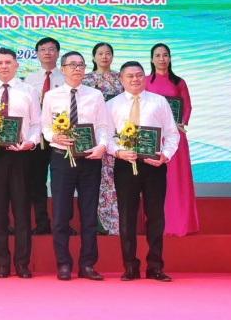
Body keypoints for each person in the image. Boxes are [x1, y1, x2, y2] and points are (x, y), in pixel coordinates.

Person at [107, 61, 179, 282]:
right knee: (127, 217)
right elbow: (106, 136)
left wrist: (165, 155)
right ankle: (130, 266)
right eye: (130, 76)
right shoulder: (111, 104)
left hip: (154, 165)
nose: (135, 79)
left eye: (139, 75)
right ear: (121, 80)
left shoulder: (159, 102)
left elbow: (172, 133)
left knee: (155, 216)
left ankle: (155, 266)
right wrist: (118, 152)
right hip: (125, 165)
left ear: (145, 77)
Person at [41, 51, 109, 281]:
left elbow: (103, 127)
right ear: (62, 69)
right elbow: (45, 126)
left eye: (81, 65)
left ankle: (87, 264)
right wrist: (54, 137)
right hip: (61, 158)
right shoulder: (51, 96)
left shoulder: (95, 95)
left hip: (89, 159)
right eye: (72, 65)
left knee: (88, 214)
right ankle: (63, 264)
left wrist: (102, 146)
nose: (77, 69)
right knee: (61, 214)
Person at [0, 48, 40, 279]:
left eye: (8, 62)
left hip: (21, 155)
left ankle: (22, 263)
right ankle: (2, 263)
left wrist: (30, 143)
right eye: (0, 63)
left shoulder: (29, 91)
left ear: (16, 65)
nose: (4, 66)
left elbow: (37, 123)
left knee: (22, 210)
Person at [146, 43, 198, 236]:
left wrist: (180, 123)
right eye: (157, 55)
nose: (162, 59)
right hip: (153, 137)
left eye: (165, 55)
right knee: (154, 181)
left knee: (177, 180)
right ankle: (156, 224)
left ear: (170, 58)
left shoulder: (179, 82)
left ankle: (179, 223)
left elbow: (187, 107)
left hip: (175, 137)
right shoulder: (145, 81)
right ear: (151, 59)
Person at [81, 42, 123, 236]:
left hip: (117, 136)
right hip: (93, 136)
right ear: (93, 57)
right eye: (100, 53)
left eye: (108, 53)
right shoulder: (85, 80)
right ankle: (97, 223)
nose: (104, 56)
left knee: (114, 180)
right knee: (94, 180)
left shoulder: (121, 78)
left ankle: (116, 223)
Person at [23, 37, 63, 236]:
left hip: (61, 137)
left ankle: (63, 223)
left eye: (51, 49)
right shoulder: (29, 81)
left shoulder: (66, 77)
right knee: (36, 181)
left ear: (58, 53)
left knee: (62, 182)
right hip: (37, 137)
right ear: (37, 54)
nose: (47, 52)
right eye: (43, 49)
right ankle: (42, 222)